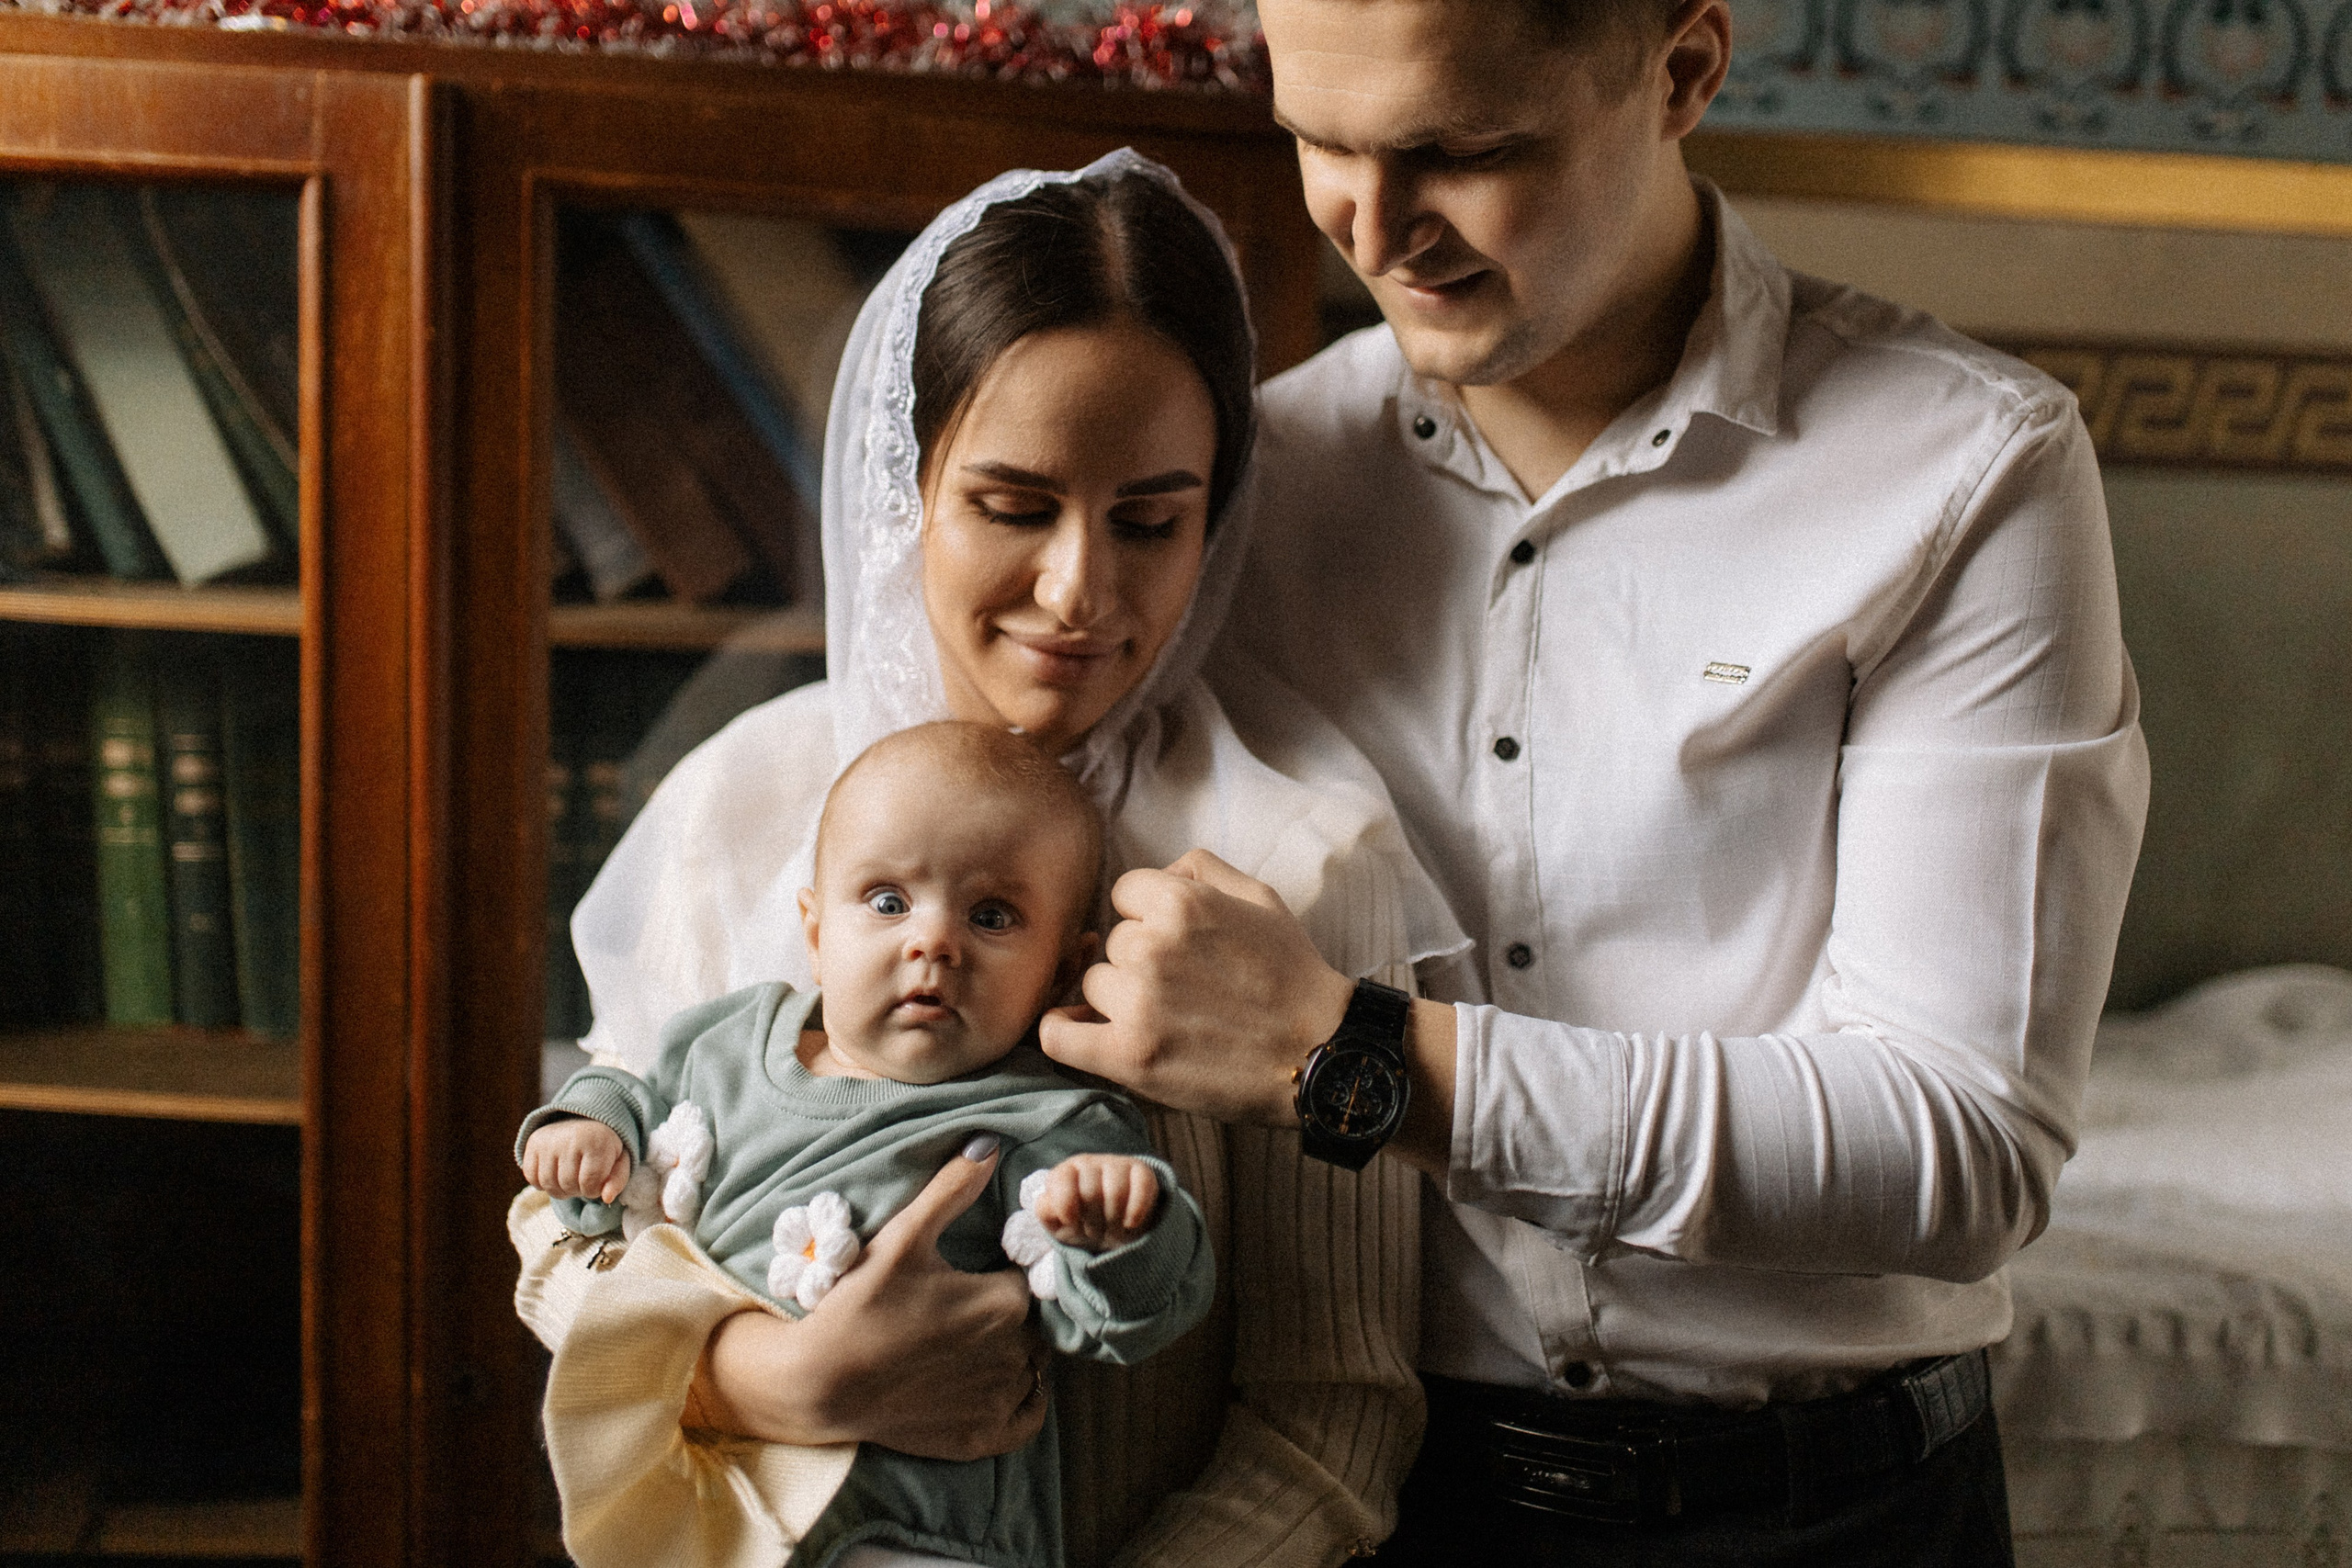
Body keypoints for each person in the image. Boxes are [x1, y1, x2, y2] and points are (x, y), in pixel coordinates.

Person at [1035, 2, 2153, 1563]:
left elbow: (1958, 1143)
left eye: (1461, 151)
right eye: (1320, 142)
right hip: (1363, 1497)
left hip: (1836, 1514)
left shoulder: (1971, 472)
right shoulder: (1236, 491)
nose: (1375, 224)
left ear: (1684, 70)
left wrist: (1350, 1054)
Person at [509, 150, 1465, 1568]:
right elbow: (577, 1229)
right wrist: (762, 1378)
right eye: (1013, 504)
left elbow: (1330, 1414)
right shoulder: (745, 801)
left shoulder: (1302, 862)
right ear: (908, 490)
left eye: (1151, 520)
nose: (1081, 590)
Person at [520, 720, 1216, 1568]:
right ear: (814, 932)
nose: (933, 942)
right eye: (888, 901)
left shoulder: (1043, 1114)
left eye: (992, 915)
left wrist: (1119, 1228)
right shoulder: (726, 1044)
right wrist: (586, 1128)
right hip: (718, 1502)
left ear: (1063, 971)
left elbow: (1131, 1315)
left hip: (918, 1530)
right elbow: (626, 1114)